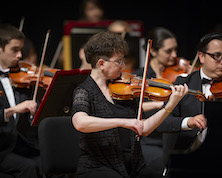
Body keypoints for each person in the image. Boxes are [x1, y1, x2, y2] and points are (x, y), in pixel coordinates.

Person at [71, 31, 188, 178]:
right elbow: (80, 122)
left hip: (133, 166)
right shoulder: (84, 91)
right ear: (101, 63)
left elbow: (144, 128)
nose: (123, 65)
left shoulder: (124, 90)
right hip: (98, 167)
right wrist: (123, 122)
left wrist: (169, 106)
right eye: (118, 61)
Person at [157, 32, 222, 176]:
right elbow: (163, 122)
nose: (221, 61)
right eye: (216, 56)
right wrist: (188, 121)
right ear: (202, 57)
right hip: (186, 158)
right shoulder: (182, 83)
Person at [133, 27, 179, 177]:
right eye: (168, 51)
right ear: (153, 51)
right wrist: (159, 104)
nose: (174, 55)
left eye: (175, 50)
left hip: (175, 138)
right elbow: (133, 109)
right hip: (149, 141)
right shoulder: (139, 78)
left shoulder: (179, 76)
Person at [0, 24, 40, 178]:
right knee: (28, 168)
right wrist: (13, 110)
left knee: (51, 160)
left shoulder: (20, 77)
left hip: (20, 144)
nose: (19, 55)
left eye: (21, 50)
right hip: (2, 148)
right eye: (14, 50)